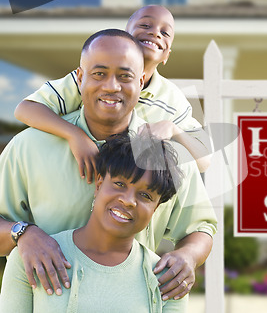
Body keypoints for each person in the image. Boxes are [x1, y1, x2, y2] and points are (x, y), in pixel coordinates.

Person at [0, 29, 216, 302]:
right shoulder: (28, 147)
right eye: (99, 73)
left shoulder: (168, 158)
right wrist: (23, 234)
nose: (112, 86)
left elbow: (200, 227)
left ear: (141, 81)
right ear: (80, 78)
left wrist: (188, 256)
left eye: (125, 76)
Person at [14, 5, 211, 181]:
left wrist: (172, 129)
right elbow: (25, 109)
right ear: (125, 36)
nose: (155, 33)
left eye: (165, 32)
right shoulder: (91, 79)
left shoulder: (172, 99)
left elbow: (204, 161)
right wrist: (75, 135)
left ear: (167, 55)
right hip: (73, 177)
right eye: (145, 25)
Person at [0, 133, 187, 312]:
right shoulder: (32, 257)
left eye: (146, 195)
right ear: (98, 185)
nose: (128, 200)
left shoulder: (168, 279)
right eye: (120, 184)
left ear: (154, 209)